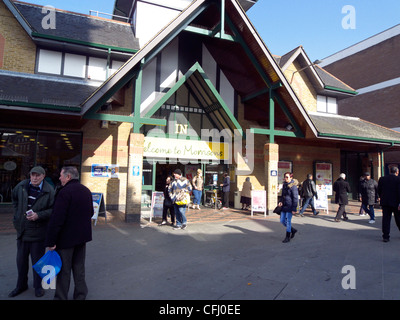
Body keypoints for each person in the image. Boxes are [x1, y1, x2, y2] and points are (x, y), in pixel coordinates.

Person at [45, 166, 93, 300]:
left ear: (68, 177)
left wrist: (51, 241)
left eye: (61, 175)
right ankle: (80, 295)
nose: (59, 178)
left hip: (65, 239)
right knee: (79, 269)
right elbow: (91, 213)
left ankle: (60, 297)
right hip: (81, 238)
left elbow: (57, 219)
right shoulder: (86, 190)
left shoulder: (64, 192)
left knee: (64, 271)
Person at [9, 166, 55, 298]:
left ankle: (38, 287)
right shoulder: (22, 186)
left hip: (38, 232)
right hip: (22, 231)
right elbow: (14, 199)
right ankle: (21, 285)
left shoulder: (49, 190)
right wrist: (17, 214)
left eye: (37, 175)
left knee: (38, 262)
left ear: (43, 176)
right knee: (21, 262)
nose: (34, 178)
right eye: (32, 175)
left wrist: (39, 215)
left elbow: (53, 210)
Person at [378, 166, 400, 242]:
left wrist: (382, 197)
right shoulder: (398, 179)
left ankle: (386, 236)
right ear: (397, 172)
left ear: (390, 171)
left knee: (386, 220)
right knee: (398, 219)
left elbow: (379, 190)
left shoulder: (382, 179)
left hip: (385, 202)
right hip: (396, 203)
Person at [278, 172, 299, 243]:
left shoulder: (293, 187)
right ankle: (292, 230)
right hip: (284, 205)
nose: (286, 178)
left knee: (288, 221)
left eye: (287, 177)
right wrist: (280, 201)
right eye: (285, 177)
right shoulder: (284, 185)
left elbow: (295, 198)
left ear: (291, 178)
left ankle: (287, 237)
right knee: (282, 221)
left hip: (290, 206)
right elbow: (282, 195)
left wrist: (294, 208)